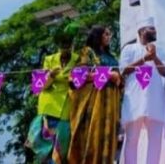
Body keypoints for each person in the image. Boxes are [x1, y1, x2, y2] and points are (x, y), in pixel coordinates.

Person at [67, 25, 122, 163]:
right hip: (94, 99)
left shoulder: (112, 56)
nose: (109, 37)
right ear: (98, 36)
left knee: (108, 137)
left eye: (110, 34)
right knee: (93, 136)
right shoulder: (88, 52)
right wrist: (109, 75)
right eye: (106, 34)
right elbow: (77, 76)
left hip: (111, 101)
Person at [120, 16, 165, 164]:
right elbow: (123, 70)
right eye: (151, 29)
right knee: (132, 140)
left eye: (154, 28)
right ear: (141, 31)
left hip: (155, 101)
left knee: (155, 141)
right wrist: (143, 59)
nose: (154, 31)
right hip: (135, 101)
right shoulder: (129, 49)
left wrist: (154, 57)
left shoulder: (160, 50)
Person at [26, 32, 79, 163]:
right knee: (44, 148)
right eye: (62, 45)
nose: (65, 48)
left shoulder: (77, 59)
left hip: (66, 109)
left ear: (72, 45)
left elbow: (79, 82)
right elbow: (41, 85)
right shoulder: (49, 60)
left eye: (67, 45)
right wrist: (51, 76)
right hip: (49, 108)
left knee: (62, 149)